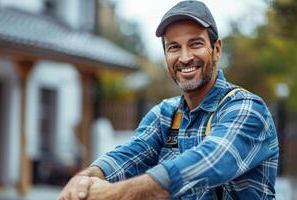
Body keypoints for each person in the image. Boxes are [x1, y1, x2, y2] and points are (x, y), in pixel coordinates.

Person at [57, 1, 279, 199]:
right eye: (174, 47)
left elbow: (208, 162)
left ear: (217, 49)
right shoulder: (165, 115)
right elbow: (129, 154)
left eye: (195, 44)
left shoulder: (247, 108)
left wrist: (112, 193)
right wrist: (85, 179)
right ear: (166, 56)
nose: (184, 57)